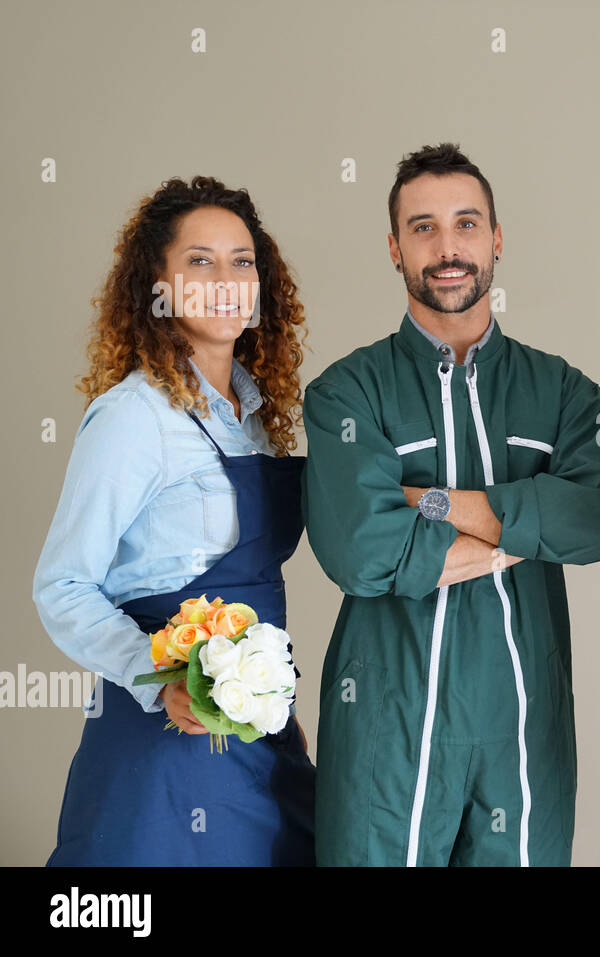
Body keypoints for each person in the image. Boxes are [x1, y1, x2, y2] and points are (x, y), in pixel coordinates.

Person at [303, 143, 600, 866]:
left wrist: (433, 502)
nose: (447, 247)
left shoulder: (565, 393)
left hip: (523, 726)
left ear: (497, 239)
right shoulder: (346, 394)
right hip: (385, 723)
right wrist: (529, 525)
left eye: (466, 224)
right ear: (394, 247)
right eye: (423, 227)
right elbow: (362, 547)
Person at [33, 176, 315, 865]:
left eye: (242, 261)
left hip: (257, 736)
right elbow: (61, 584)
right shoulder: (134, 417)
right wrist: (160, 679)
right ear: (157, 283)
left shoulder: (257, 422)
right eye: (200, 260)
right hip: (163, 744)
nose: (225, 279)